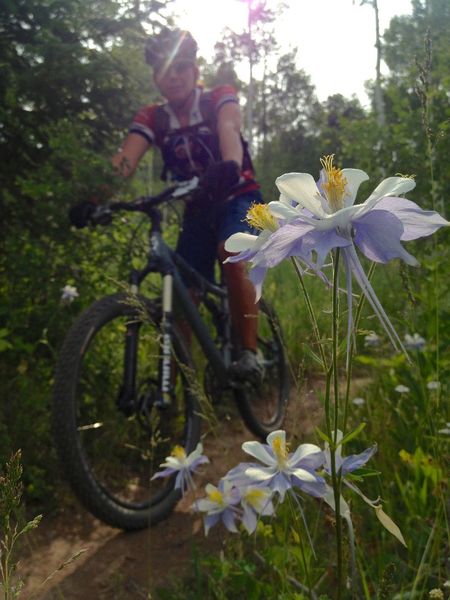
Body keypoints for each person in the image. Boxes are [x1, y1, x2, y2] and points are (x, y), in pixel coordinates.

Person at [73, 28, 263, 383]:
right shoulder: (153, 118)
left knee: (231, 253)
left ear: (195, 70)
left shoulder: (218, 97)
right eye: (163, 70)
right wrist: (95, 197)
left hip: (239, 194)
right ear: (156, 78)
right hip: (196, 207)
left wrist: (231, 166)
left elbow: (229, 128)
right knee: (182, 294)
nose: (172, 76)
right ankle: (180, 394)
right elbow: (125, 161)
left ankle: (250, 354)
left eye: (181, 67)